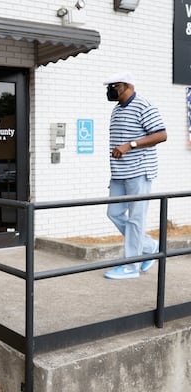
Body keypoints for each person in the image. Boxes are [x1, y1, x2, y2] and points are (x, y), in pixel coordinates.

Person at [102, 72, 167, 280]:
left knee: (135, 219)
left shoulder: (143, 105)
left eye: (114, 85)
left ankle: (131, 266)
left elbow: (161, 134)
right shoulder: (117, 109)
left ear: (127, 85)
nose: (110, 89)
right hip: (119, 173)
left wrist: (130, 145)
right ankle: (148, 246)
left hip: (139, 171)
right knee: (114, 213)